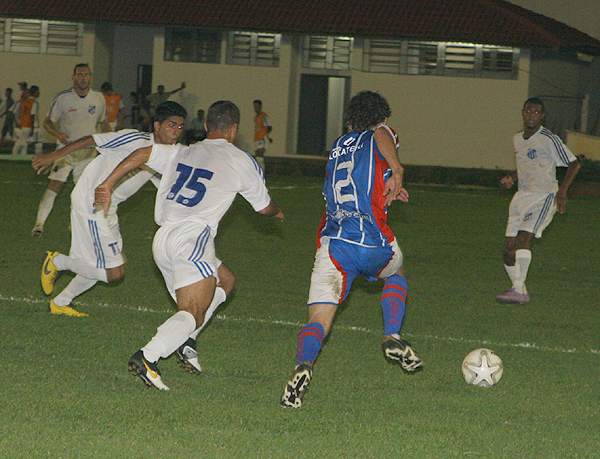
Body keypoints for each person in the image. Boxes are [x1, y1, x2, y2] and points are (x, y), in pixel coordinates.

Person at [94, 100, 284, 390]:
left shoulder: (182, 150)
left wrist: (107, 184)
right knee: (193, 311)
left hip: (163, 239)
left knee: (226, 280)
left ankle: (187, 341)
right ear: (234, 129)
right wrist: (278, 213)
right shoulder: (242, 160)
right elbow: (264, 207)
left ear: (206, 126)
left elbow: (143, 152)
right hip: (192, 239)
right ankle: (148, 356)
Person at [280, 91, 423, 408]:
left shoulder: (337, 148)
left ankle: (304, 365)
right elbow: (382, 136)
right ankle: (392, 335)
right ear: (381, 118)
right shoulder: (381, 133)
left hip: (333, 246)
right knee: (397, 271)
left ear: (350, 120)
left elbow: (355, 181)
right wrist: (397, 171)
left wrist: (388, 183)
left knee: (318, 319)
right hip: (371, 241)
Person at [33, 101, 186, 317]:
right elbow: (92, 140)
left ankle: (60, 303)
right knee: (114, 273)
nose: (176, 132)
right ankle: (57, 261)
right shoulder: (135, 139)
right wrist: (53, 156)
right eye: (171, 125)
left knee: (98, 263)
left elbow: (167, 185)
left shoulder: (166, 154)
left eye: (180, 127)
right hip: (91, 203)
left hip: (109, 208)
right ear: (157, 125)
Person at [496, 97, 580, 305]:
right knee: (508, 251)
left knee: (523, 240)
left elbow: (574, 164)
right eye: (528, 111)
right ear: (522, 113)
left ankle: (517, 290)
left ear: (542, 116)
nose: (531, 115)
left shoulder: (549, 139)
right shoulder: (517, 138)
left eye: (536, 112)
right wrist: (512, 178)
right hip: (521, 197)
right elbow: (526, 164)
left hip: (543, 197)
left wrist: (562, 192)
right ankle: (521, 291)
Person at [31, 63, 110, 237]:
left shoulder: (98, 97)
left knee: (84, 190)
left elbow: (104, 123)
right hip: (65, 151)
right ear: (73, 78)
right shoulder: (63, 98)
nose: (83, 78)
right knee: (55, 185)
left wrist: (111, 144)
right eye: (79, 75)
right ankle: (39, 224)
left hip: (88, 151)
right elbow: (47, 122)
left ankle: (76, 224)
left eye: (86, 75)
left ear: (90, 77)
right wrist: (58, 134)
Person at [11, 86, 42, 155]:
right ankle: (38, 157)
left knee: (21, 143)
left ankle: (15, 156)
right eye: (38, 92)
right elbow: (32, 115)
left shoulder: (24, 102)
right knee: (38, 143)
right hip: (32, 126)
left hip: (23, 125)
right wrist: (32, 128)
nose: (39, 93)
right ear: (34, 92)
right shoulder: (34, 102)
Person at [253, 99, 271, 171]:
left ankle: (262, 173)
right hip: (257, 138)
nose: (255, 108)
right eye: (254, 106)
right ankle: (259, 172)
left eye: (256, 106)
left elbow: (269, 127)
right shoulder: (256, 117)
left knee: (260, 155)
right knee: (257, 157)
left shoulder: (263, 116)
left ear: (260, 107)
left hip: (262, 138)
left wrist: (266, 136)